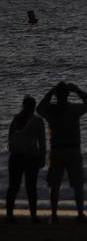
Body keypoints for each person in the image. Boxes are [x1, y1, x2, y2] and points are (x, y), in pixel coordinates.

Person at [36, 81, 87, 222]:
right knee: (77, 184)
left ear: (57, 95)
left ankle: (54, 214)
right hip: (72, 149)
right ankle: (80, 214)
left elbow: (39, 109)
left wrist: (50, 93)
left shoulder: (51, 110)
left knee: (54, 184)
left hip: (57, 150)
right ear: (68, 94)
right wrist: (77, 90)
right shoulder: (73, 109)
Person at [6, 95, 47, 223]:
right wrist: (42, 157)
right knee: (30, 187)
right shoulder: (37, 121)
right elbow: (42, 141)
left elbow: (10, 139)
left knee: (14, 186)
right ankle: (33, 215)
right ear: (33, 107)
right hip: (30, 157)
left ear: (23, 106)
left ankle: (10, 215)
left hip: (16, 156)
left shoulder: (16, 119)